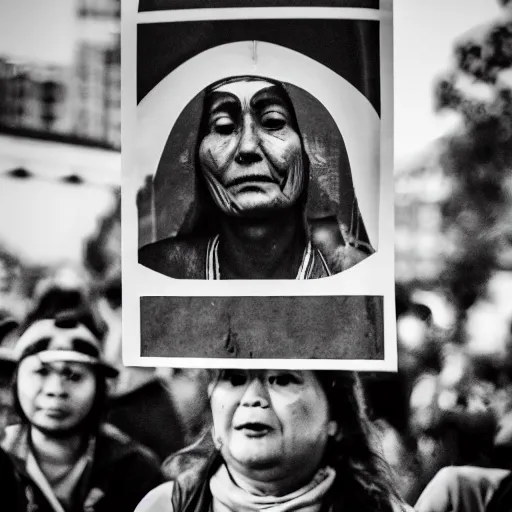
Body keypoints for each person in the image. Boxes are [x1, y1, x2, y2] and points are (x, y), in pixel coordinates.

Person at [139, 76, 371, 280]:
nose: (247, 147)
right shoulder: (157, 269)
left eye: (273, 122)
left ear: (311, 148)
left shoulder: (356, 274)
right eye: (223, 127)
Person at [135, 369, 410, 512]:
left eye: (282, 380)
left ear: (334, 417)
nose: (253, 396)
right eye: (234, 378)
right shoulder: (165, 507)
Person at [1, 311, 166, 512]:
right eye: (41, 372)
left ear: (100, 388)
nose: (56, 390)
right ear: (15, 382)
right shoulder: (3, 456)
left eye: (74, 376)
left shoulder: (134, 469)